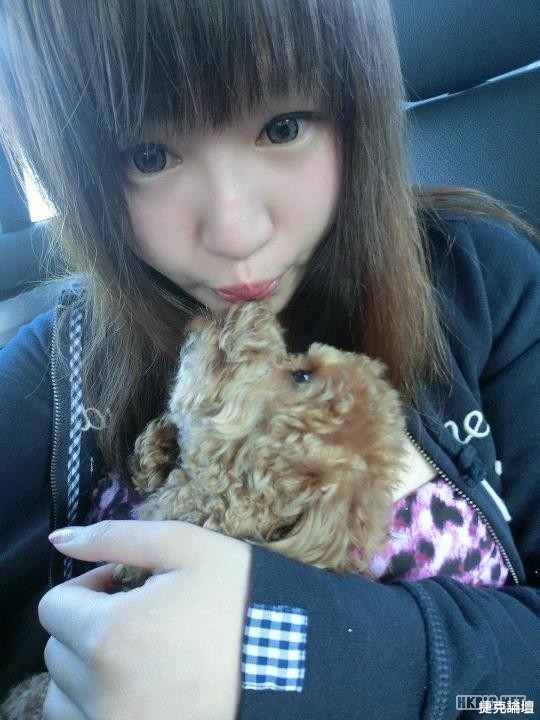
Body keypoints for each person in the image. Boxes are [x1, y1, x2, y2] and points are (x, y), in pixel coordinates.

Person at [0, 0, 539, 717]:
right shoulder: (52, 375)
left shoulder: (482, 284)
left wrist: (289, 654)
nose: (236, 232)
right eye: (148, 157)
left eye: (284, 127)